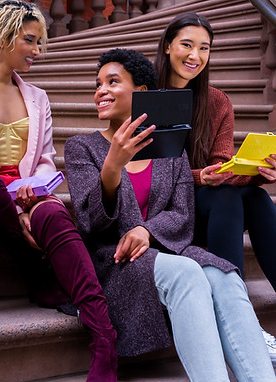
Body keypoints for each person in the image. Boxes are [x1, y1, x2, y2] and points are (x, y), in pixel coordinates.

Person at [64, 47, 276, 381]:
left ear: (141, 93)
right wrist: (112, 166)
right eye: (98, 84)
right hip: (114, 261)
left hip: (167, 248)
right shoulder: (82, 148)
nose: (100, 91)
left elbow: (182, 215)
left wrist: (147, 232)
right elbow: (91, 224)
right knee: (187, 274)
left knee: (226, 276)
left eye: (113, 81)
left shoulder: (170, 149)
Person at [0, 2, 117, 381]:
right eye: (31, 41)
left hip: (27, 197)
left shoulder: (39, 97)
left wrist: (32, 193)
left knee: (54, 213)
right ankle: (36, 267)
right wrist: (12, 201)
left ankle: (105, 341)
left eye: (40, 43)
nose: (39, 51)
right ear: (2, 37)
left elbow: (46, 160)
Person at [154, 11, 276, 364]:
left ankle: (241, 322)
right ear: (167, 46)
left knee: (252, 194)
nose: (195, 56)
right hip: (160, 208)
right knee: (224, 194)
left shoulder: (217, 101)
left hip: (207, 204)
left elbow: (222, 165)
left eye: (204, 48)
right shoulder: (145, 95)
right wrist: (199, 178)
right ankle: (242, 327)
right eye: (187, 45)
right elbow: (146, 169)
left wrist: (256, 172)